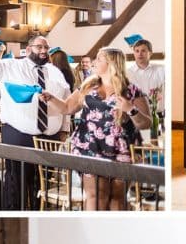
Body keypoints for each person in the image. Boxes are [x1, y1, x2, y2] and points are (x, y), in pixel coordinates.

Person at [42, 46, 151, 210]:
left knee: (117, 199)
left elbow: (146, 123)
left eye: (99, 59)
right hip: (89, 147)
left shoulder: (131, 91)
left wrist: (131, 110)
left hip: (121, 149)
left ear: (111, 63)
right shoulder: (87, 86)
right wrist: (50, 98)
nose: (93, 62)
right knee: (96, 196)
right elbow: (67, 108)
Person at [0, 33, 71, 210]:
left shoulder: (55, 72)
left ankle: (40, 216)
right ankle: (15, 219)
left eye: (46, 47)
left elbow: (66, 99)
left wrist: (64, 129)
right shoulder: (12, 66)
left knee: (44, 182)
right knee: (17, 182)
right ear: (29, 49)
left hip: (49, 138)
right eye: (40, 47)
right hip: (19, 135)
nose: (44, 50)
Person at [125, 37, 165, 104]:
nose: (139, 54)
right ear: (134, 54)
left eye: (143, 51)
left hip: (160, 113)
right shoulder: (127, 74)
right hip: (137, 113)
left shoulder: (161, 70)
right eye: (137, 51)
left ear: (150, 53)